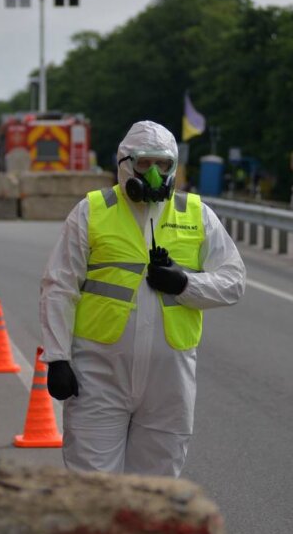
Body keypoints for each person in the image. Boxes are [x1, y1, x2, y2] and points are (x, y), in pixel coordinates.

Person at [39, 121, 246, 476]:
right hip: (99, 374)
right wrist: (57, 358)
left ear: (174, 166)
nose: (154, 174)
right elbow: (59, 285)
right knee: (92, 483)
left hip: (168, 382)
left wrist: (185, 284)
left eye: (163, 165)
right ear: (124, 165)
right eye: (144, 164)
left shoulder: (196, 214)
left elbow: (233, 282)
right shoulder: (92, 211)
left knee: (155, 489)